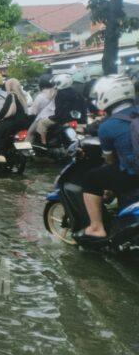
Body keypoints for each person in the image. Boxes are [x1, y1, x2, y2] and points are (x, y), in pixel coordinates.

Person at [80, 76, 139, 240]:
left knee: (92, 178)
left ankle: (96, 228)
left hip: (134, 176)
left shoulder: (108, 126)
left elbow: (110, 160)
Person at [0, 78, 29, 163]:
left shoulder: (11, 95)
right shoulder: (22, 96)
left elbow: (5, 110)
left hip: (13, 122)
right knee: (3, 133)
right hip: (23, 123)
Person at [37, 73, 89, 145]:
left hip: (65, 120)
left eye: (57, 82)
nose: (55, 84)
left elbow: (59, 113)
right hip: (81, 121)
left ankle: (43, 144)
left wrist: (52, 117)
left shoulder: (60, 94)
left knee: (41, 122)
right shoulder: (77, 93)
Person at [28, 74, 56, 141]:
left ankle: (26, 150)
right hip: (56, 118)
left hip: (43, 119)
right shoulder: (56, 93)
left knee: (29, 133)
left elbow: (34, 112)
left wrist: (27, 110)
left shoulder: (40, 96)